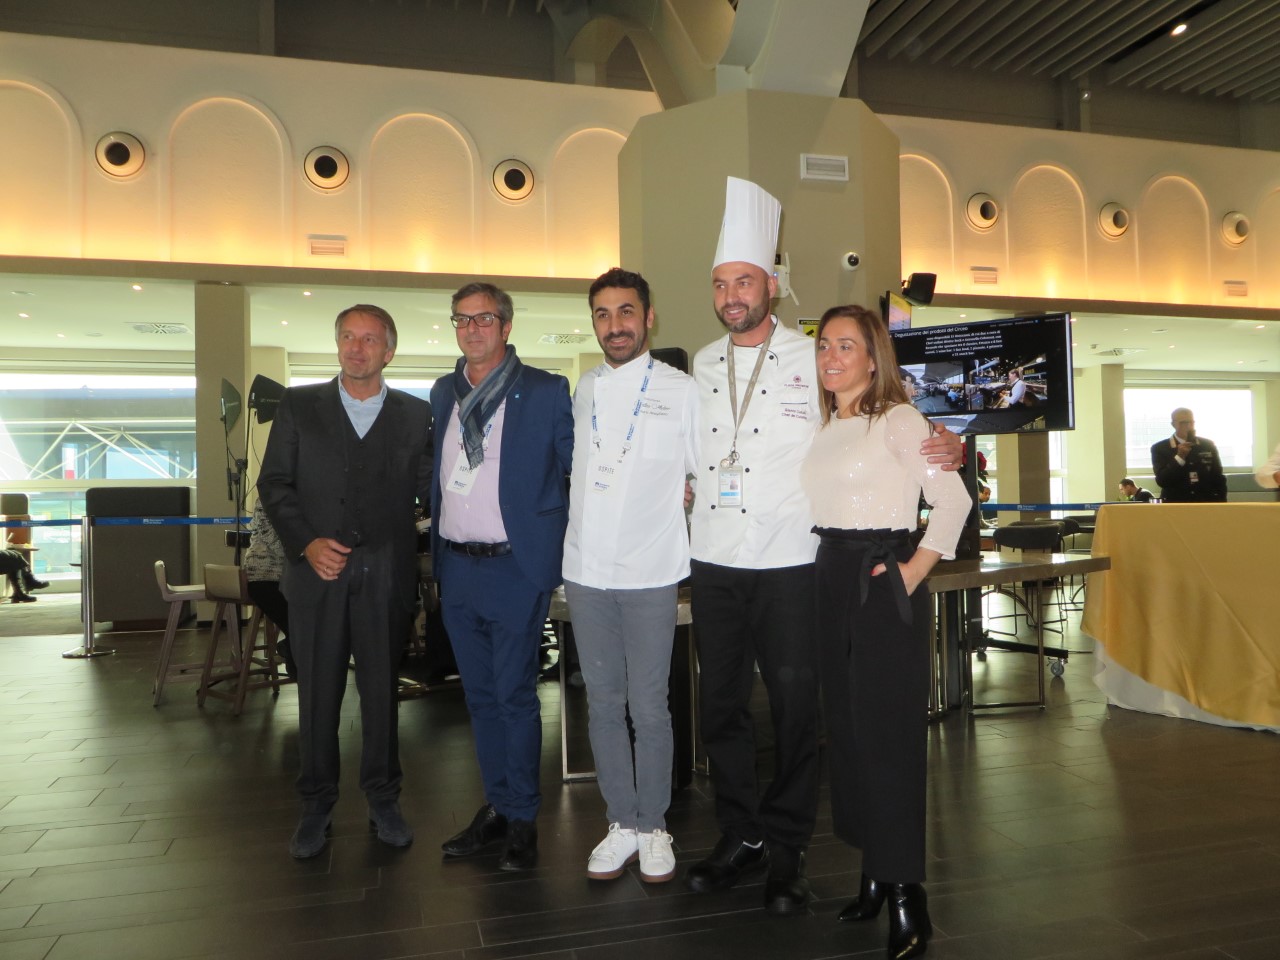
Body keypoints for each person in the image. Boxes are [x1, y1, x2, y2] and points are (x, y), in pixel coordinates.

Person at [684, 177, 961, 916]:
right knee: (721, 708)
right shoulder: (702, 367)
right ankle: (740, 834)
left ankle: (787, 848)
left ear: (771, 286)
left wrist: (949, 442)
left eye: (745, 281)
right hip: (716, 556)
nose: (732, 295)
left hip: (791, 561)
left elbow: (891, 412)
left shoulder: (808, 361)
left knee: (797, 712)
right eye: (721, 283)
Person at [801, 305, 968, 960]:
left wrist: (911, 572)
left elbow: (953, 500)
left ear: (874, 359)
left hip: (882, 575)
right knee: (846, 730)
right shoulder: (827, 423)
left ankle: (907, 893)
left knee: (889, 737)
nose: (832, 356)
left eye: (847, 345)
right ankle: (873, 868)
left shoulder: (898, 418)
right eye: (824, 345)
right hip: (831, 572)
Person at [258, 304, 433, 860]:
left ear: (389, 351)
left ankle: (383, 798)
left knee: (382, 693)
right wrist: (306, 543)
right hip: (316, 574)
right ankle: (316, 803)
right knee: (317, 693)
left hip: (386, 575)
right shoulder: (299, 405)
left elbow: (435, 487)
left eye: (370, 339)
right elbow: (274, 483)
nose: (357, 348)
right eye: (348, 337)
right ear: (337, 345)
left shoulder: (416, 414)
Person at [562, 268, 698, 885]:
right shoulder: (584, 388)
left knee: (649, 706)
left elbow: (703, 471)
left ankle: (654, 825)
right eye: (602, 314)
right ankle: (620, 822)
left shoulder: (681, 390)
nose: (614, 325)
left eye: (625, 312)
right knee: (603, 704)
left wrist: (691, 493)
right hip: (586, 569)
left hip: (650, 569)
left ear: (648, 317)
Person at [431, 281, 573, 872]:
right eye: (462, 319)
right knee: (480, 696)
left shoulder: (544, 390)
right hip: (456, 567)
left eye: (484, 319)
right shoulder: (443, 391)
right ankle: (496, 805)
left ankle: (522, 820)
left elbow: (575, 470)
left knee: (514, 695)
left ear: (506, 326)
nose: (472, 329)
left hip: (516, 566)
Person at [243, 496, 295, 678]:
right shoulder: (272, 496)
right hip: (266, 578)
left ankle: (290, 650)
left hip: (274, 577)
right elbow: (274, 537)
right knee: (301, 628)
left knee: (301, 628)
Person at [1150, 408, 1227, 503]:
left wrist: (1221, 502)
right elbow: (1162, 481)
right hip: (1176, 503)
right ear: (1173, 424)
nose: (1188, 426)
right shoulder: (1161, 448)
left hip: (1205, 502)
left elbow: (1218, 477)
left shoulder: (1207, 445)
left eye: (1191, 422)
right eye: (1183, 423)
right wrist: (1179, 458)